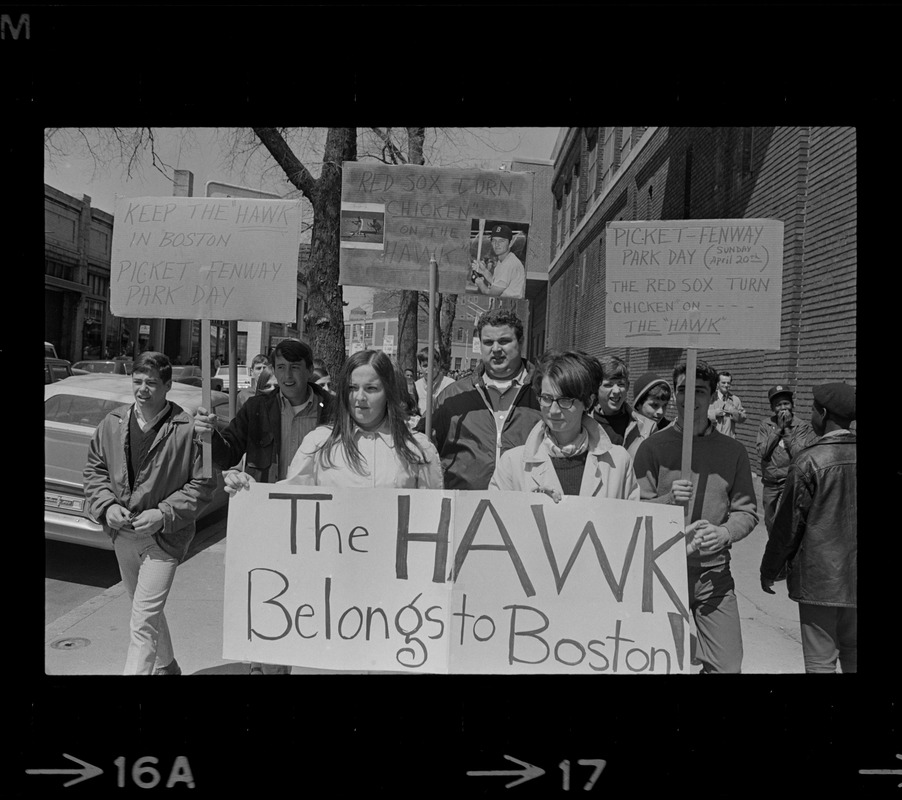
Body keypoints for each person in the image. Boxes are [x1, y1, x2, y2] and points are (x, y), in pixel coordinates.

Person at [193, 338, 332, 675]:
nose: (287, 376)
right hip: (267, 519)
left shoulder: (334, 409)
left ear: (309, 371)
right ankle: (266, 664)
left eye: (295, 368)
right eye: (280, 367)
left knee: (308, 594)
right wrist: (208, 435)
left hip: (319, 522)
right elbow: (228, 451)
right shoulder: (257, 408)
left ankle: (291, 657)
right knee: (269, 591)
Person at [83, 351, 215, 675]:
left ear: (168, 385)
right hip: (123, 535)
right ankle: (168, 666)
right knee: (145, 612)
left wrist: (163, 514)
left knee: (142, 621)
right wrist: (107, 506)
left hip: (164, 539)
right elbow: (95, 470)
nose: (143, 389)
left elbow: (203, 485)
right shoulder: (112, 423)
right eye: (138, 381)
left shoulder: (187, 429)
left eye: (152, 383)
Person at [633, 359, 758, 674]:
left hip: (712, 574)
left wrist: (724, 534)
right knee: (653, 664)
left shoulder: (733, 452)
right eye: (683, 390)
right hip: (660, 571)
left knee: (727, 665)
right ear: (675, 394)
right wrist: (667, 499)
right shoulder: (652, 448)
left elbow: (746, 511)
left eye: (699, 391)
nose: (690, 398)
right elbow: (632, 510)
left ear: (714, 396)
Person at [760, 383, 856, 673]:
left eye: (814, 409)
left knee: (820, 663)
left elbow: (787, 526)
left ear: (823, 413)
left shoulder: (810, 460)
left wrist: (770, 570)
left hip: (819, 582)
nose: (811, 415)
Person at [490, 350, 639, 501]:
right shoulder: (511, 464)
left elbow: (631, 519)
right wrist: (528, 508)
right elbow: (494, 519)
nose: (554, 411)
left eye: (566, 400)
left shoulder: (619, 462)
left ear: (587, 401)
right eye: (546, 398)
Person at [282, 349, 442, 489]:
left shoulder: (418, 448)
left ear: (388, 392)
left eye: (371, 388)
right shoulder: (317, 442)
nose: (360, 397)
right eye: (352, 388)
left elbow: (433, 513)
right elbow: (289, 501)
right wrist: (256, 492)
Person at [423, 307, 542, 490]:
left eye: (504, 341)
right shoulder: (453, 396)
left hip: (524, 507)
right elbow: (421, 446)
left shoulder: (543, 395)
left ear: (521, 342)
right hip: (466, 508)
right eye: (488, 342)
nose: (496, 349)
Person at [755, 384, 818, 536]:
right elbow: (762, 451)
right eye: (778, 405)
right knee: (770, 521)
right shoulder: (766, 425)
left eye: (786, 404)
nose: (783, 408)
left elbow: (799, 453)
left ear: (792, 405)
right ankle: (774, 547)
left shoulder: (800, 426)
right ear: (772, 408)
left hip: (788, 481)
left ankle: (782, 552)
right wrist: (778, 430)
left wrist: (787, 429)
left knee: (783, 519)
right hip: (769, 481)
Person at [592, 355, 640, 450]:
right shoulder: (583, 424)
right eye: (608, 385)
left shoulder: (645, 427)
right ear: (595, 388)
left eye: (621, 384)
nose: (616, 391)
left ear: (627, 386)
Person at [470, 224, 525, 298]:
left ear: (510, 243)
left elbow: (490, 293)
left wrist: (479, 283)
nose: (497, 244)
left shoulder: (508, 264)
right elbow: (496, 283)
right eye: (494, 240)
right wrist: (484, 271)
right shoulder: (504, 260)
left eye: (501, 241)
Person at [626, 371, 673, 458]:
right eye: (655, 405)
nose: (660, 412)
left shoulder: (670, 431)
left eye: (664, 405)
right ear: (639, 404)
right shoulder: (627, 428)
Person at [414, 347, 455, 417]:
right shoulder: (416, 387)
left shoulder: (450, 385)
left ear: (438, 365)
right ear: (420, 367)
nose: (429, 369)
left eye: (433, 365)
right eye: (425, 366)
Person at [708, 370, 747, 438]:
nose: (726, 385)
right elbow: (699, 415)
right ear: (717, 383)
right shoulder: (709, 398)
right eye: (723, 382)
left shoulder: (735, 400)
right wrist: (714, 413)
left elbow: (742, 419)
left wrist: (735, 412)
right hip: (711, 439)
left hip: (729, 440)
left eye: (728, 383)